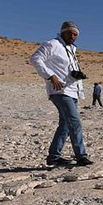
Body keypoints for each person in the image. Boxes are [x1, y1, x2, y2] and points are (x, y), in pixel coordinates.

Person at [29, 21, 93, 167]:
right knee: (75, 122)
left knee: (65, 125)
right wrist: (51, 76)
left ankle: (54, 157)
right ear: (62, 31)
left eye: (75, 34)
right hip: (60, 91)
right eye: (70, 33)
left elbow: (65, 69)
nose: (72, 36)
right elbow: (35, 59)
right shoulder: (52, 44)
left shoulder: (71, 49)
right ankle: (81, 156)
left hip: (73, 91)